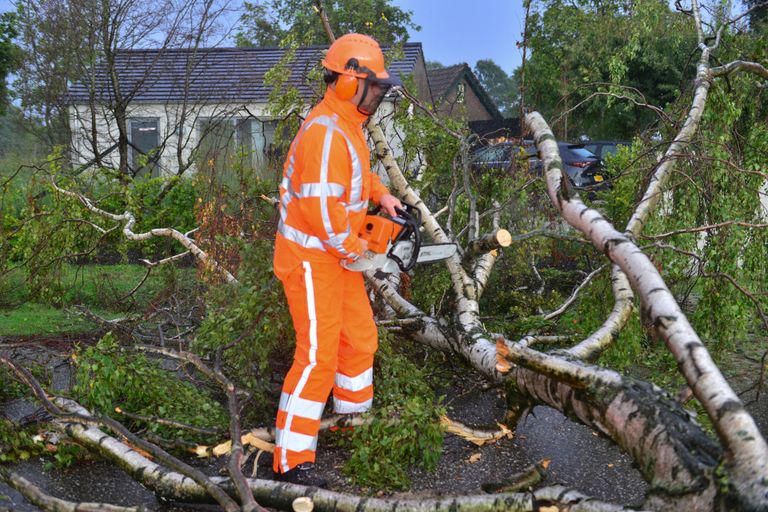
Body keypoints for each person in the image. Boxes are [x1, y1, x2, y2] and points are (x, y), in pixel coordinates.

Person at [271, 33, 403, 487]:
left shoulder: (347, 125)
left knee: (361, 339)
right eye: (375, 86)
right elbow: (324, 217)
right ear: (349, 81)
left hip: (338, 256)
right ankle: (292, 458)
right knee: (317, 357)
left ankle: (352, 424)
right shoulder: (325, 132)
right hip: (311, 260)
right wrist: (363, 252)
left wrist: (382, 197)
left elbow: (358, 174)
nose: (379, 95)